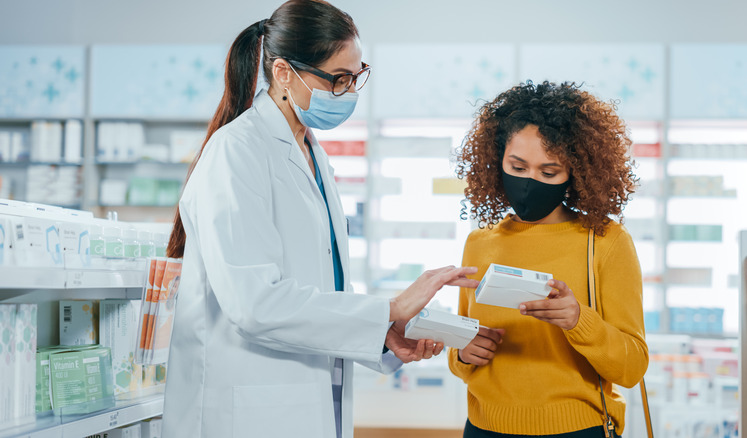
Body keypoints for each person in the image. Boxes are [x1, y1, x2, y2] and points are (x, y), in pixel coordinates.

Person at [160, 1, 479, 437]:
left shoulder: (313, 155)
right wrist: (386, 310)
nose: (348, 92)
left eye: (356, 77)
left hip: (304, 398)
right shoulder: (236, 152)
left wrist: (384, 333)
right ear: (284, 73)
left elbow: (318, 291)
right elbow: (255, 304)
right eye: (338, 79)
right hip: (246, 407)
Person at [448, 81, 649, 438]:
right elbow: (464, 355)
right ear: (498, 161)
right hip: (483, 429)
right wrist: (463, 353)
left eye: (549, 172)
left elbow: (632, 367)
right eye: (518, 166)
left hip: (578, 431)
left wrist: (578, 320)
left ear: (575, 172)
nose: (530, 182)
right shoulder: (479, 243)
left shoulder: (605, 242)